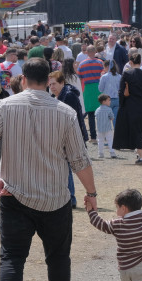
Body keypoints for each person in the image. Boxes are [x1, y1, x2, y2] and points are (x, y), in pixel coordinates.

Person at [0, 58, 97, 281]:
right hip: (55, 196)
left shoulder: (5, 107)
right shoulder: (65, 112)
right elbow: (80, 159)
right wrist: (90, 193)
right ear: (49, 79)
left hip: (14, 193)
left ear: (23, 78)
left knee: (12, 257)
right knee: (58, 257)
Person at [48, 71, 89, 207]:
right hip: (68, 135)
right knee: (67, 167)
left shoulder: (68, 96)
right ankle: (69, 196)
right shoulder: (61, 95)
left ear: (62, 82)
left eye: (54, 84)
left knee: (69, 166)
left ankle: (70, 197)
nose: (51, 87)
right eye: (50, 85)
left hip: (70, 136)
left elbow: (71, 119)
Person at [114, 51, 142, 164]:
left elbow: (121, 91)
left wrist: (122, 104)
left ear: (130, 62)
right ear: (141, 62)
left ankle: (140, 154)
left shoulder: (126, 74)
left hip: (130, 105)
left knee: (133, 129)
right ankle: (139, 151)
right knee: (141, 129)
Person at [77, 46, 104, 143]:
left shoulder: (82, 64)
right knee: (101, 113)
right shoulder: (100, 62)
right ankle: (103, 136)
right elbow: (103, 75)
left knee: (91, 114)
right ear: (95, 51)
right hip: (99, 88)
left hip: (88, 88)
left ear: (86, 52)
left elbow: (79, 78)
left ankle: (93, 137)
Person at [98, 60, 121, 129]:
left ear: (107, 67)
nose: (103, 68)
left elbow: (100, 89)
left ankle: (106, 136)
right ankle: (116, 135)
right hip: (117, 99)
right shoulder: (119, 76)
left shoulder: (104, 77)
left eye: (104, 67)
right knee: (115, 119)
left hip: (106, 100)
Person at [95, 94, 117, 158]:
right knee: (110, 140)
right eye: (109, 100)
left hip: (99, 128)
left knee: (100, 141)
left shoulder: (97, 110)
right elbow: (112, 118)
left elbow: (96, 117)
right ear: (104, 101)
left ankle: (100, 153)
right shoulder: (109, 109)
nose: (110, 101)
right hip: (108, 128)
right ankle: (112, 152)